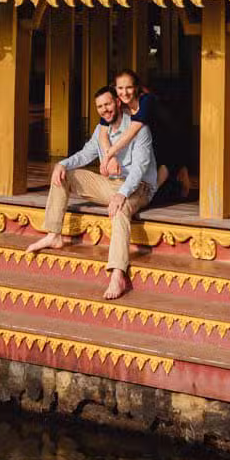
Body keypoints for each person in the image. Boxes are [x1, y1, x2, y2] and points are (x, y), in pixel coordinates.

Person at [26, 84, 156, 299]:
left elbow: (140, 169)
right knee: (63, 174)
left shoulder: (139, 128)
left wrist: (121, 194)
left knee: (120, 209)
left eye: (107, 104)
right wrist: (63, 164)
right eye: (99, 107)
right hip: (111, 185)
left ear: (117, 102)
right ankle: (54, 234)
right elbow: (86, 154)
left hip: (137, 187)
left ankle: (117, 273)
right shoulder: (101, 131)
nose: (105, 109)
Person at [101, 69, 189, 204]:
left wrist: (108, 155)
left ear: (136, 87)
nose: (124, 92)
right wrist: (110, 157)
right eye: (120, 88)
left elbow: (132, 131)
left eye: (129, 87)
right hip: (147, 143)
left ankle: (177, 176)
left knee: (154, 190)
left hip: (167, 141)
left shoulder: (146, 100)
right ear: (115, 88)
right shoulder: (117, 102)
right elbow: (103, 133)